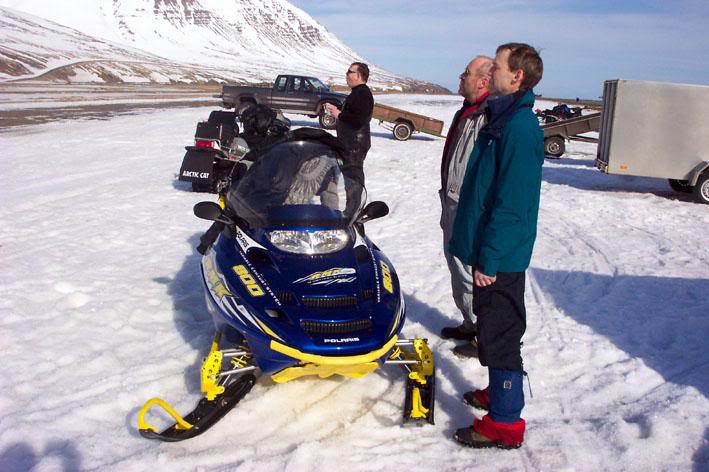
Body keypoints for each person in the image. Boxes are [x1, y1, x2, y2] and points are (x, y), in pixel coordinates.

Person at [448, 43, 544, 449]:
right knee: (490, 327)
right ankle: (499, 392)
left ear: (516, 76)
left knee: (501, 333)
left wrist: (489, 258)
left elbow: (512, 204)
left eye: (499, 66)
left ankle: (505, 423)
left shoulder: (520, 128)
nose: (491, 74)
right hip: (489, 248)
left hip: (500, 256)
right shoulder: (501, 118)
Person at [439, 55, 493, 358]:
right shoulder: (468, 110)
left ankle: (481, 334)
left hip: (466, 204)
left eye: (467, 73)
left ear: (483, 81)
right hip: (452, 200)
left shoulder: (487, 115)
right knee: (455, 263)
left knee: (467, 266)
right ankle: (469, 322)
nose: (461, 77)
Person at [324, 62, 374, 216]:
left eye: (349, 72)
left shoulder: (363, 93)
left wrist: (339, 114)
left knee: (353, 180)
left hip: (355, 145)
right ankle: (341, 210)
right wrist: (337, 109)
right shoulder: (357, 92)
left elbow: (359, 119)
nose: (346, 74)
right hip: (348, 143)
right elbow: (353, 113)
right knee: (343, 176)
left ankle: (353, 214)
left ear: (358, 75)